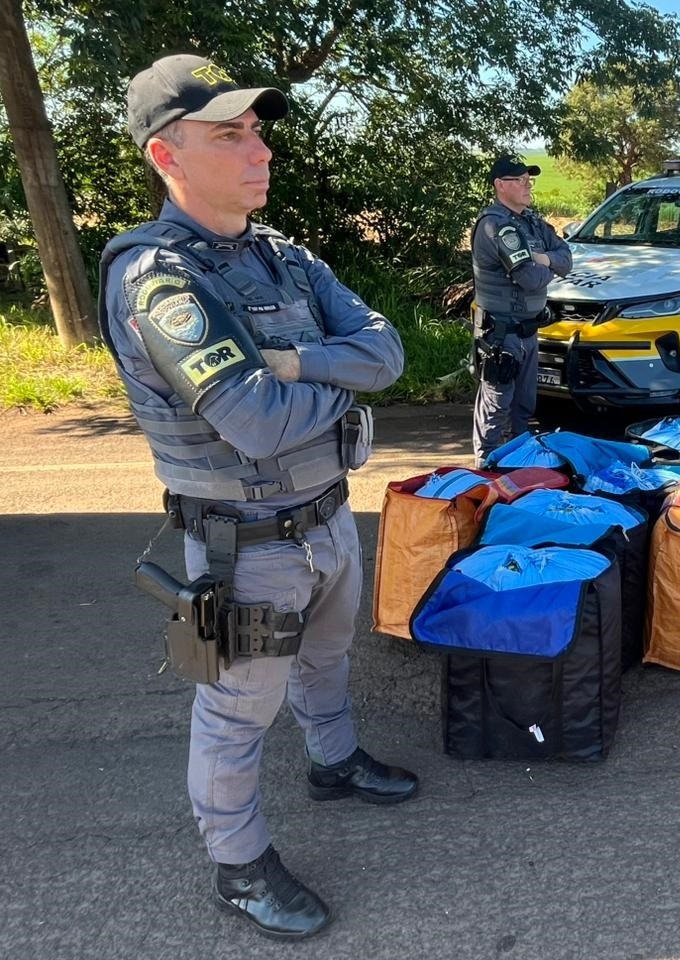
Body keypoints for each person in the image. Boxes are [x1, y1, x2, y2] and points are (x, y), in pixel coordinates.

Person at [99, 54, 416, 941]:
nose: (259, 150)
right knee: (237, 710)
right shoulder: (157, 279)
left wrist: (294, 363)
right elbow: (258, 422)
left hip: (326, 520)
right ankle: (238, 867)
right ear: (168, 156)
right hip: (247, 547)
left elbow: (387, 353)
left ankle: (335, 761)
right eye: (229, 135)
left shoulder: (280, 255)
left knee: (327, 662)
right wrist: (335, 381)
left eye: (258, 131)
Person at [471, 155, 572, 465]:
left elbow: (566, 258)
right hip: (501, 335)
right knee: (497, 406)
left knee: (524, 408)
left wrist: (542, 259)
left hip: (528, 332)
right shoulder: (495, 226)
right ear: (501, 186)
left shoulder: (530, 222)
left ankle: (516, 471)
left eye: (529, 178)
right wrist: (548, 262)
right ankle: (486, 470)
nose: (528, 183)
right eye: (520, 179)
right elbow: (529, 279)